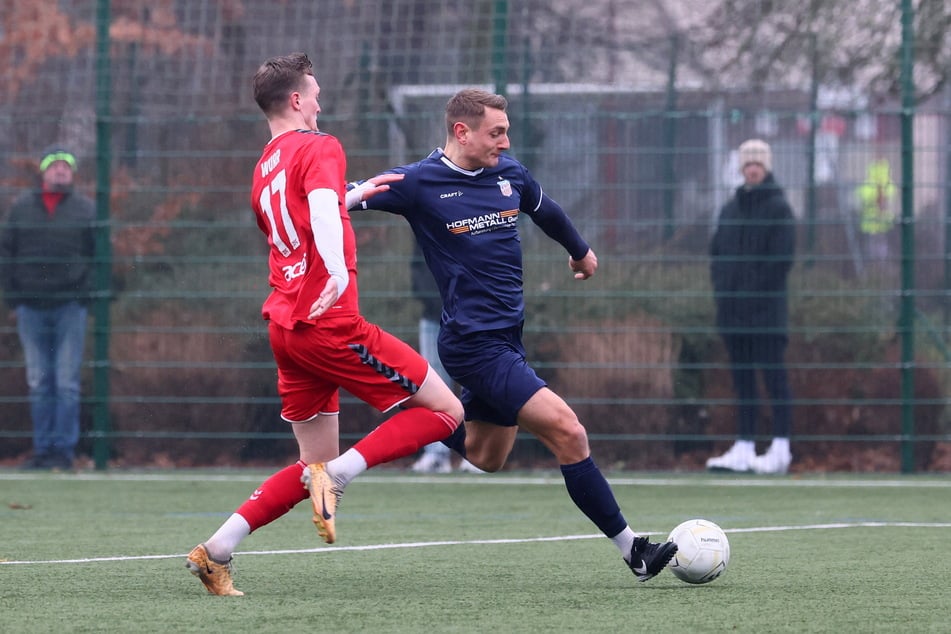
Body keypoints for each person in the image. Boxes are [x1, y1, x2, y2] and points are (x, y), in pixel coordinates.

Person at [351, 88, 677, 582]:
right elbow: (340, 198)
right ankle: (634, 550)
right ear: (462, 131)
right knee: (569, 431)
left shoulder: (511, 175)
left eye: (506, 131)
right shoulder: (417, 182)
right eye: (495, 132)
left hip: (507, 340)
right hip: (473, 345)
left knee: (487, 456)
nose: (505, 141)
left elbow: (546, 211)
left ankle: (416, 403)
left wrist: (581, 252)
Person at [185, 53, 463, 596]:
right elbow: (315, 209)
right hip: (330, 322)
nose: (319, 102)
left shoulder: (265, 163)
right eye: (313, 93)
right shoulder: (320, 144)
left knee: (311, 462)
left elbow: (301, 217)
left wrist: (350, 198)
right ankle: (338, 476)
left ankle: (215, 551)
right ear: (294, 100)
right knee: (447, 412)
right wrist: (336, 269)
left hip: (286, 327)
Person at [0, 146, 96, 471]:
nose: (61, 172)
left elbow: (98, 254)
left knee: (67, 383)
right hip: (31, 308)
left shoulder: (86, 209)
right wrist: (14, 298)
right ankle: (42, 452)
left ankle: (63, 454)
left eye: (66, 168)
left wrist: (86, 295)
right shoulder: (21, 208)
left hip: (70, 306)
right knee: (39, 382)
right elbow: (7, 253)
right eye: (55, 166)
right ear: (43, 172)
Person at [707, 139, 796, 475]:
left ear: (766, 166)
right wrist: (725, 294)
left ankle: (780, 447)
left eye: (758, 163)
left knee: (774, 377)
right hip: (733, 314)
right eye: (748, 163)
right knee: (742, 380)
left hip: (766, 314)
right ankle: (744, 445)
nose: (753, 168)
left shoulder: (779, 208)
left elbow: (780, 262)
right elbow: (716, 255)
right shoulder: (730, 209)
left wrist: (753, 295)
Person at [408, 242, 482, 474]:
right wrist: (434, 300)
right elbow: (418, 266)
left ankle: (477, 455)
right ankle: (436, 455)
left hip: (472, 316)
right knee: (432, 384)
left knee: (479, 382)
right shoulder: (420, 211)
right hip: (434, 316)